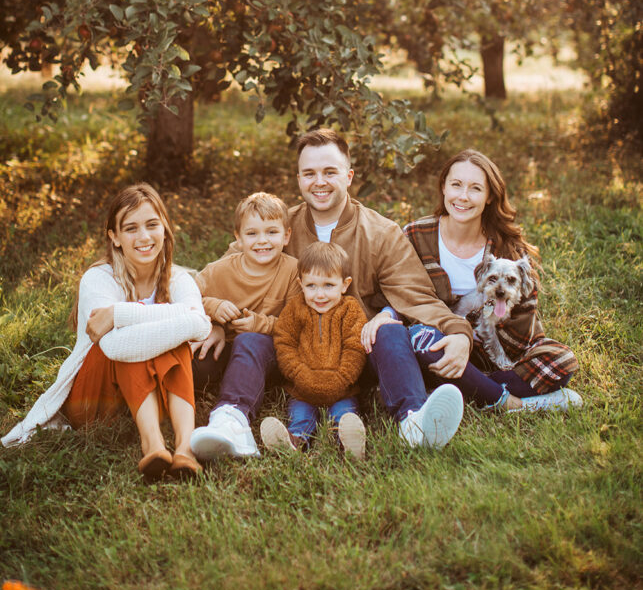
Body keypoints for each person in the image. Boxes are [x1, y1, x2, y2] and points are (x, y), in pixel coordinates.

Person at [194, 128, 471, 459]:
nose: (319, 182)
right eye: (309, 173)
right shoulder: (277, 227)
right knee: (251, 340)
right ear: (298, 179)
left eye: (330, 172)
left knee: (391, 332)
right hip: (290, 351)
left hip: (353, 354)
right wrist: (210, 318)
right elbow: (228, 272)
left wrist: (459, 333)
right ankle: (230, 423)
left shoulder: (380, 233)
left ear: (349, 176)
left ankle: (414, 421)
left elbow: (417, 296)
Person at [1, 183, 211, 482]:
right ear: (114, 237)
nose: (144, 237)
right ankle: (151, 445)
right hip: (93, 400)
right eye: (130, 229)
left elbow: (201, 325)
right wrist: (180, 319)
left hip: (145, 394)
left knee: (165, 339)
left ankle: (185, 449)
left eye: (152, 225)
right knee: (140, 340)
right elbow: (115, 347)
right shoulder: (97, 279)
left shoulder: (178, 278)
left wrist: (118, 314)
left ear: (164, 228)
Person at [403, 149, 582, 411]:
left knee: (561, 360)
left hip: (494, 350)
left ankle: (463, 389)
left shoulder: (508, 248)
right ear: (443, 187)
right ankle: (510, 402)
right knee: (419, 338)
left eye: (475, 188)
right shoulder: (416, 235)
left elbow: (524, 324)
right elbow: (401, 291)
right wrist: (457, 335)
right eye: (456, 185)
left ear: (489, 197)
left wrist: (478, 334)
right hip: (440, 342)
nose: (463, 197)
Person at [189, 192, 300, 461]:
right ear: (238, 238)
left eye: (271, 232)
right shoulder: (220, 270)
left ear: (286, 236)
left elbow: (299, 324)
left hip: (270, 354)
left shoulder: (293, 271)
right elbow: (184, 297)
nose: (262, 241)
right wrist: (214, 310)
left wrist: (259, 324)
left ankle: (232, 418)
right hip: (226, 351)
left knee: (250, 339)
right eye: (252, 234)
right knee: (197, 359)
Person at [260, 241, 368, 459]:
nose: (319, 295)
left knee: (344, 415)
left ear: (345, 285)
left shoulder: (350, 310)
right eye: (311, 286)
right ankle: (294, 442)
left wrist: (341, 379)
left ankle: (350, 443)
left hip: (342, 390)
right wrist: (300, 375)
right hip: (302, 389)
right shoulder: (295, 309)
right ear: (301, 284)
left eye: (329, 285)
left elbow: (355, 349)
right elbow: (284, 343)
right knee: (301, 417)